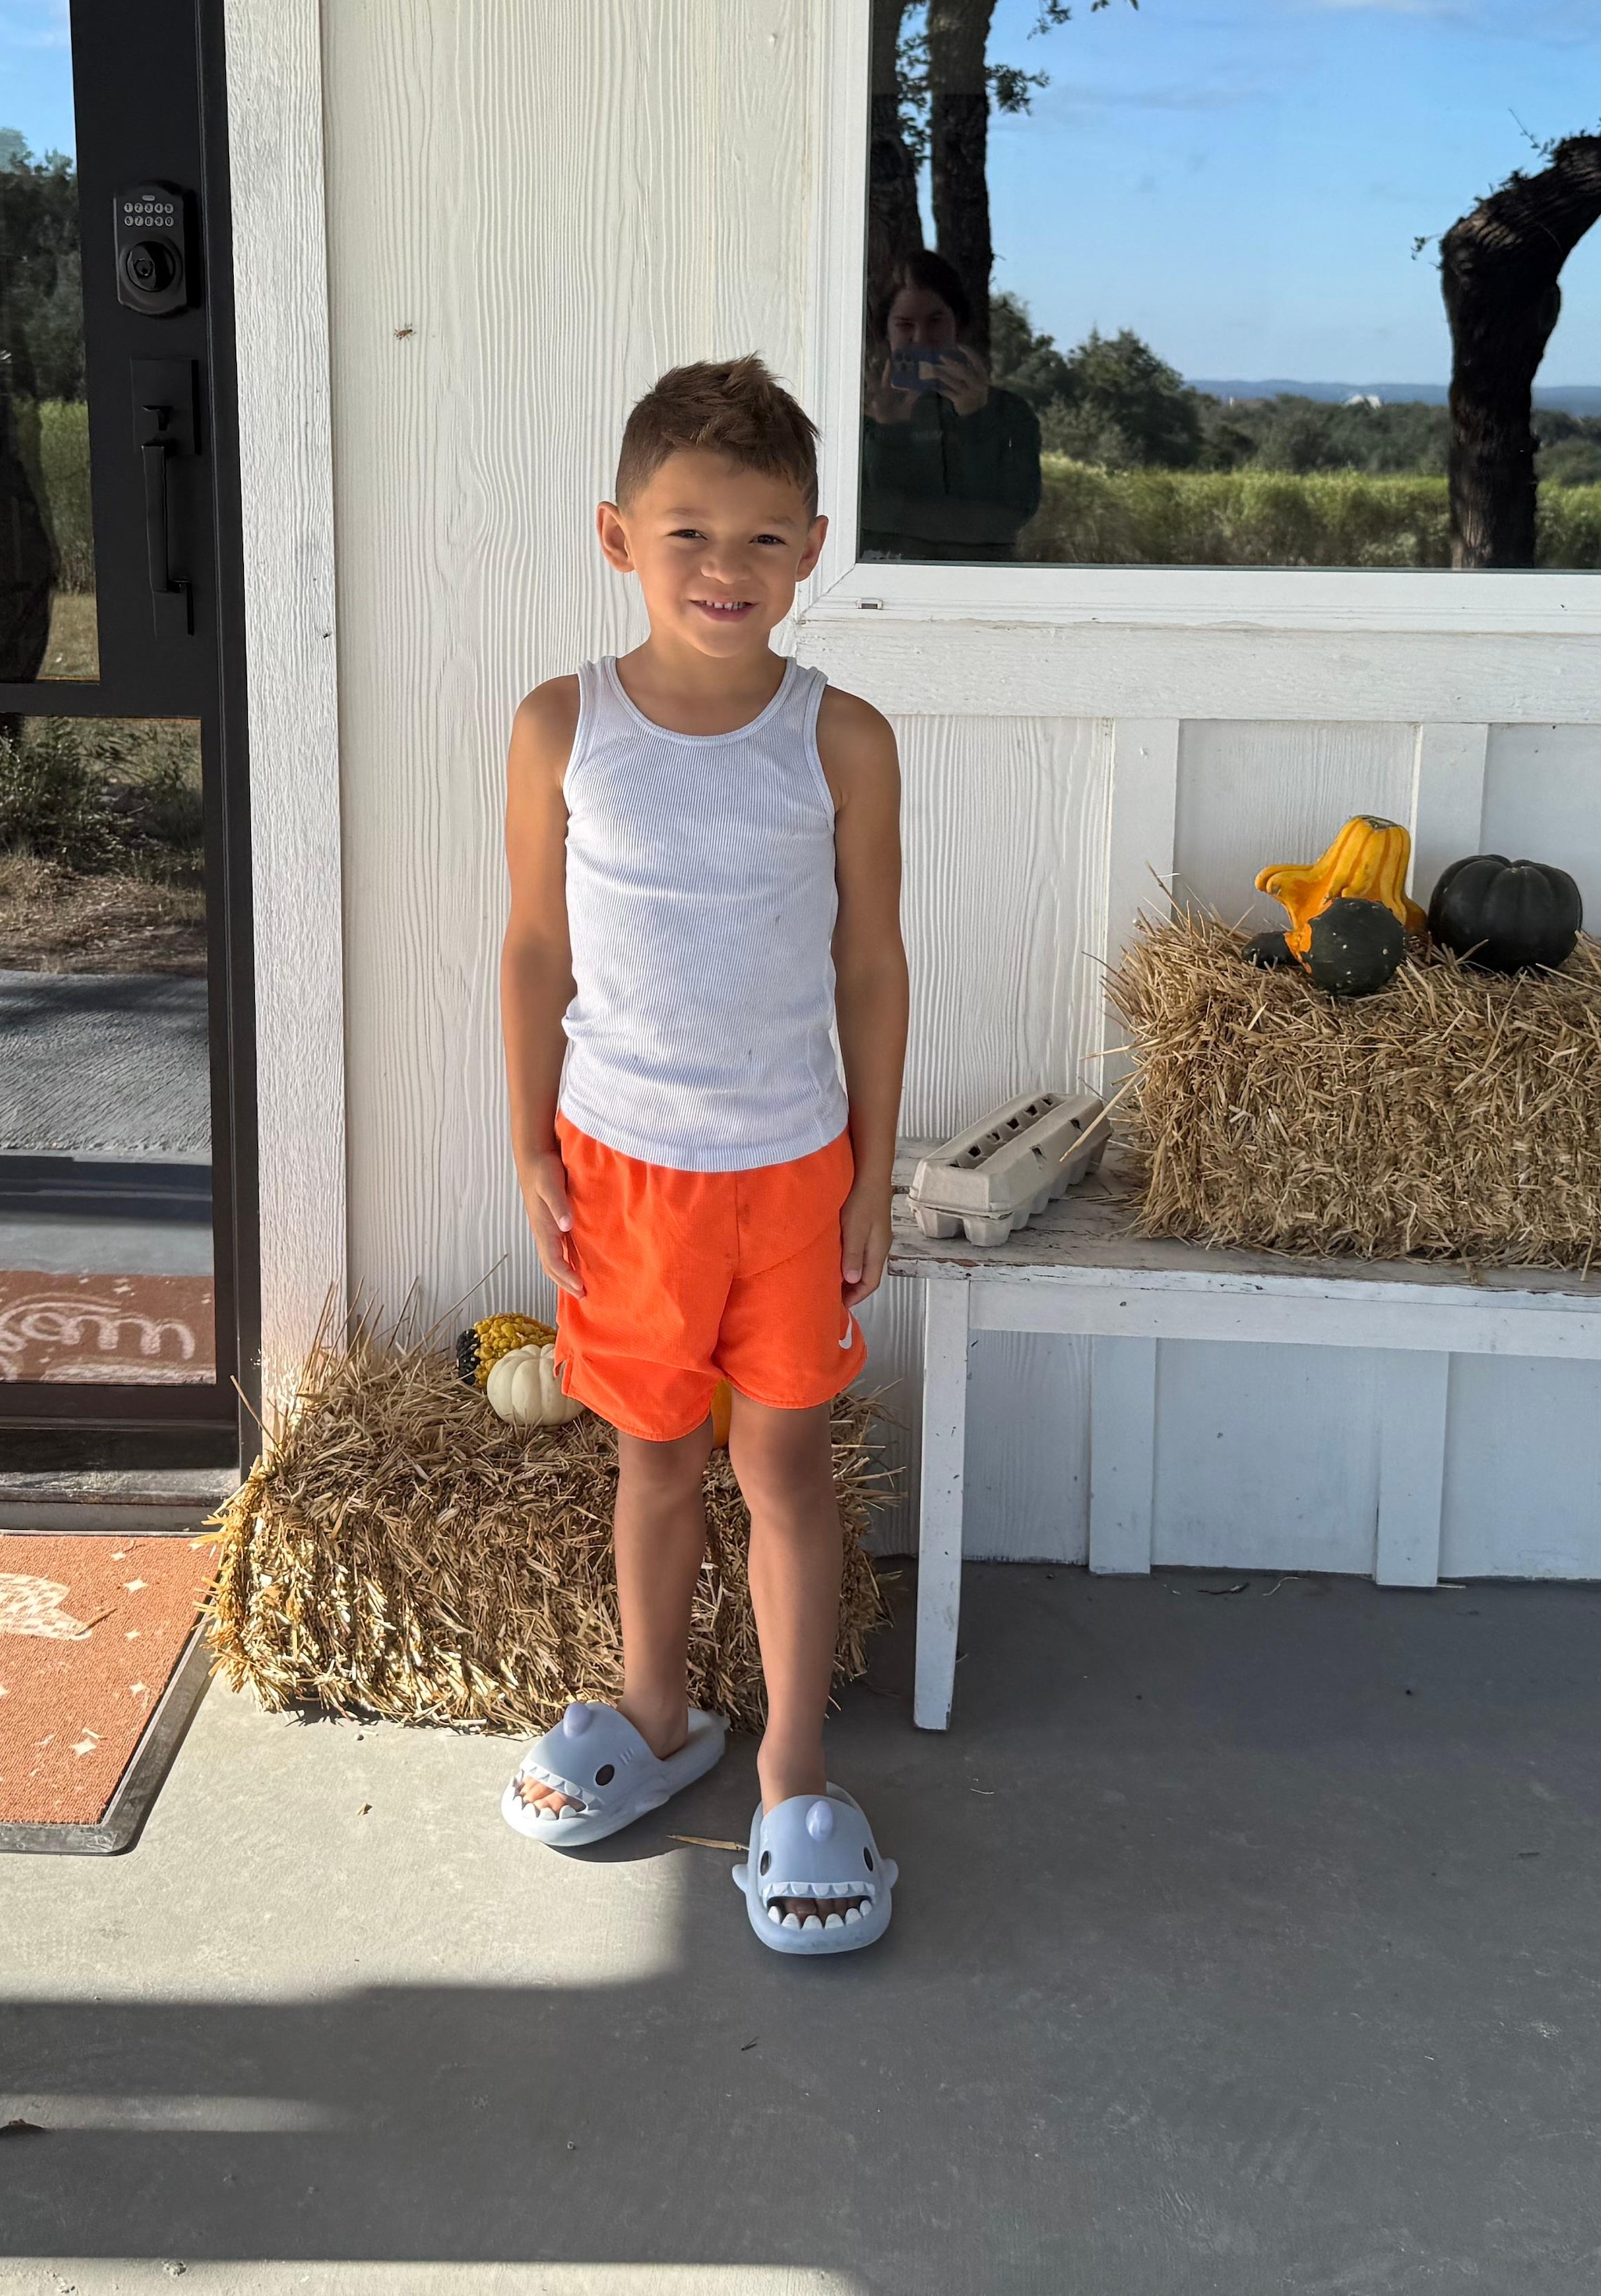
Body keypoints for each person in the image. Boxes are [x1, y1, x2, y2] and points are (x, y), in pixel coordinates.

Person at [493, 356, 912, 1955]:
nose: (722, 573)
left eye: (759, 540)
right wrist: (524, 1131)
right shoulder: (561, 725)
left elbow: (869, 964)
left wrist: (871, 1166)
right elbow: (535, 947)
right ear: (617, 536)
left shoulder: (845, 740)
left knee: (782, 1469)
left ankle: (794, 1774)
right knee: (652, 1459)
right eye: (687, 535)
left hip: (792, 1174)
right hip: (623, 1171)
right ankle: (661, 1717)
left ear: (812, 548)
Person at [857, 250, 1042, 560]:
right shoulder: (856, 412)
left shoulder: (1009, 413)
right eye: (905, 324)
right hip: (881, 587)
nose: (921, 339)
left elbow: (1011, 514)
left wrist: (975, 419)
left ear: (959, 323)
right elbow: (866, 513)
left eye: (935, 322)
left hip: (982, 583)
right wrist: (888, 430)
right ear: (885, 331)